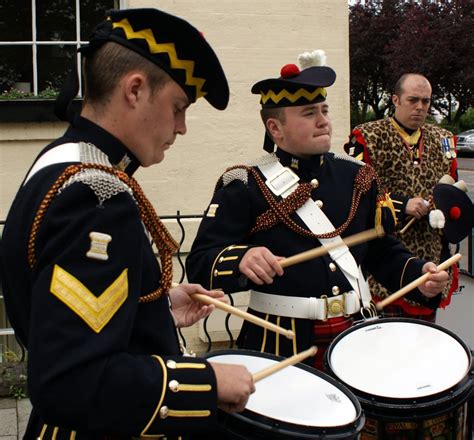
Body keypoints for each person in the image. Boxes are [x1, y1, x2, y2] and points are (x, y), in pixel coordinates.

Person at [0, 8, 255, 440]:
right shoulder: (95, 198)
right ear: (134, 90)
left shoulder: (63, 160)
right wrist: (207, 385)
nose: (182, 127)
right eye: (178, 107)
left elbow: (63, 313)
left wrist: (153, 304)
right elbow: (70, 382)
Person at [186, 50, 449, 370]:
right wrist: (241, 258)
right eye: (309, 113)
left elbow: (379, 250)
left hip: (355, 332)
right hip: (279, 341)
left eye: (323, 109)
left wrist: (417, 275)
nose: (324, 120)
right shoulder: (244, 185)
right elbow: (201, 263)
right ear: (275, 128)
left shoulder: (357, 176)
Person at [344, 73, 459, 323]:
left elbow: (453, 193)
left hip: (430, 255)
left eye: (426, 101)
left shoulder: (443, 140)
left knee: (423, 342)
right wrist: (401, 203)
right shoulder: (369, 136)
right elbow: (355, 194)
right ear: (395, 99)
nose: (420, 107)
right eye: (413, 100)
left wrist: (443, 208)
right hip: (383, 260)